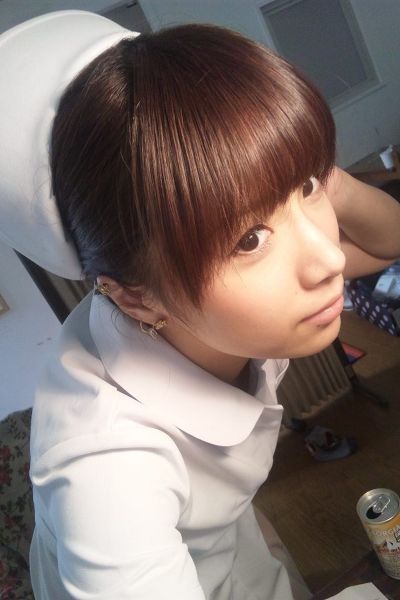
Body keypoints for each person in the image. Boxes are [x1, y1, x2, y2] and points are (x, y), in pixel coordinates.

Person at [1, 10, 400, 600]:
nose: (328, 258)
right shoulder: (106, 473)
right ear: (135, 296)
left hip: (230, 533)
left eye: (308, 191)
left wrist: (293, 164)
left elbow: (386, 241)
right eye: (249, 240)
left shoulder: (191, 304)